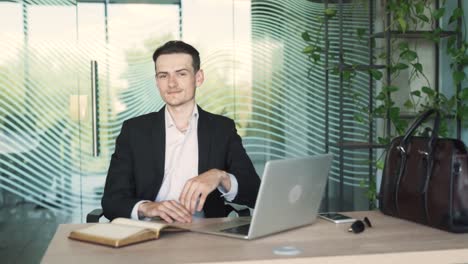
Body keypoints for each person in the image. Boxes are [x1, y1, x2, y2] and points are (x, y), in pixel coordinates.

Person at [102, 40, 260, 223]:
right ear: (156, 81)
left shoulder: (221, 129)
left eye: (181, 74)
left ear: (198, 78)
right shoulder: (135, 131)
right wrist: (148, 207)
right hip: (148, 234)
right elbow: (112, 201)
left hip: (206, 235)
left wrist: (220, 176)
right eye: (163, 76)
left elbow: (254, 192)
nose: (171, 83)